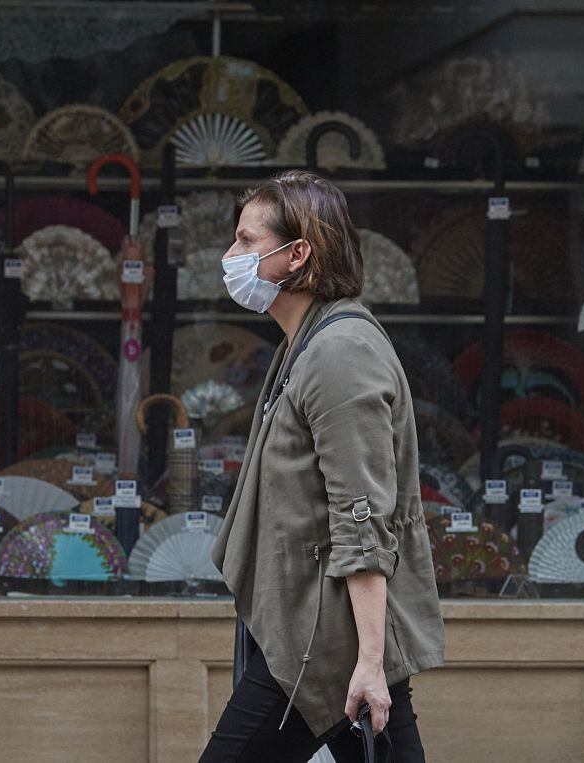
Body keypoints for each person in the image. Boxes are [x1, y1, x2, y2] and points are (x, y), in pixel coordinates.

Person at [201, 170, 446, 762]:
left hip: (318, 643)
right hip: (315, 628)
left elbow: (361, 515)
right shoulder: (306, 344)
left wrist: (367, 662)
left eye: (247, 241)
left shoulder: (340, 354)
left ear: (298, 253)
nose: (230, 256)